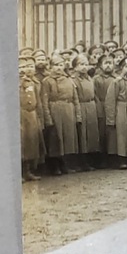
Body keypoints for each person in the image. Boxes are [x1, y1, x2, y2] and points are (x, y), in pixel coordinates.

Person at [41, 54, 81, 175]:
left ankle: (65, 164)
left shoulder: (69, 79)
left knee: (68, 138)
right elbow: (44, 100)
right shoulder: (47, 81)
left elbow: (75, 99)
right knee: (55, 138)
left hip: (68, 110)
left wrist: (77, 115)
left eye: (61, 65)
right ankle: (55, 166)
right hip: (55, 110)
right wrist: (48, 118)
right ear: (51, 67)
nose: (59, 68)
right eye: (56, 65)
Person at [72, 54, 100, 171]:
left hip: (91, 106)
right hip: (82, 106)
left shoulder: (90, 78)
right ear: (75, 67)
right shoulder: (74, 80)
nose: (84, 67)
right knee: (82, 135)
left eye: (85, 64)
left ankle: (90, 160)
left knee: (92, 134)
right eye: (81, 64)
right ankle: (81, 162)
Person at [19, 53, 44, 182]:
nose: (24, 70)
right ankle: (19, 174)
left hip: (32, 115)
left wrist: (39, 117)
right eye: (21, 67)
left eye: (26, 66)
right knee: (20, 144)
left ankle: (27, 171)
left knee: (31, 144)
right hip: (20, 116)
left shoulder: (32, 82)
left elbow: (38, 101)